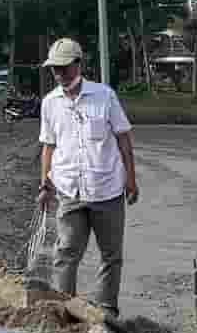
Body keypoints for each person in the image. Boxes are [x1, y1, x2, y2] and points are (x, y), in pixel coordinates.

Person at [35, 36, 137, 314]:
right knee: (66, 253)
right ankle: (63, 310)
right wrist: (46, 184)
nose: (58, 74)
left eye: (64, 68)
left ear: (78, 65)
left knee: (111, 255)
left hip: (107, 190)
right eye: (54, 69)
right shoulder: (50, 103)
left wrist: (131, 178)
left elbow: (124, 139)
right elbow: (49, 146)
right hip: (70, 191)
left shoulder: (104, 96)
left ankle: (106, 311)